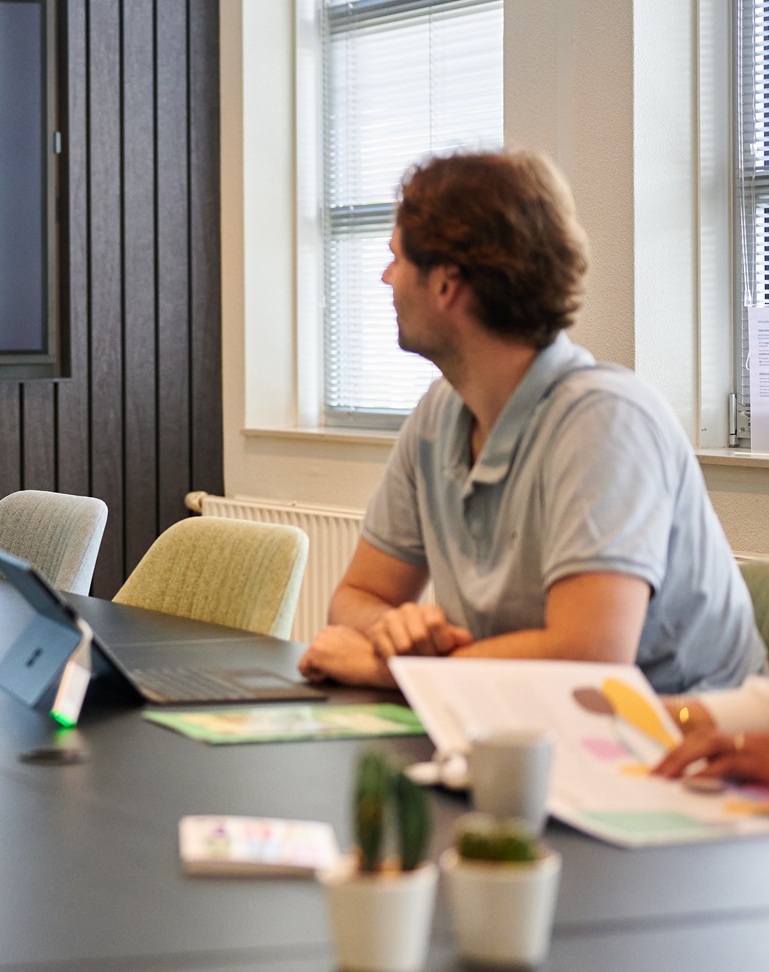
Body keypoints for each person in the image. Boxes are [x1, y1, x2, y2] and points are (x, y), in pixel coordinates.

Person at [297, 150, 765, 696]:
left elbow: (588, 657)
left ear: (447, 284)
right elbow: (356, 596)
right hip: (524, 727)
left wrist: (399, 670)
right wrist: (393, 632)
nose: (385, 277)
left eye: (396, 258)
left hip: (684, 753)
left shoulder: (605, 422)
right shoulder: (437, 415)